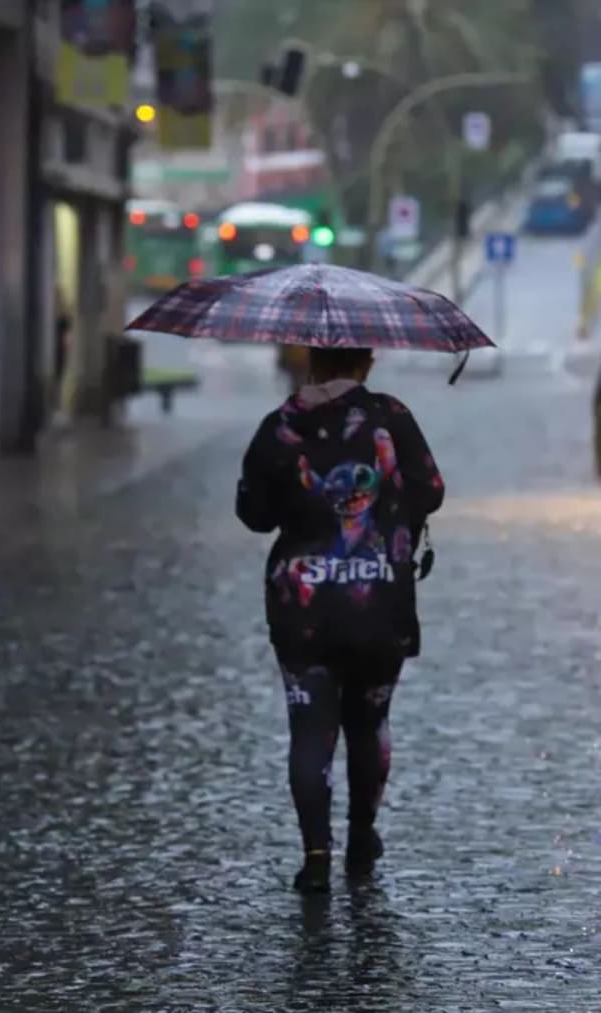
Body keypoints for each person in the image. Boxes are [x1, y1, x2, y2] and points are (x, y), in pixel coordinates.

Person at [235, 346, 445, 893]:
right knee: (369, 721)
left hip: (303, 606)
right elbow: (431, 489)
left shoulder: (280, 426)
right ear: (368, 360)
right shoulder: (390, 418)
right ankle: (362, 834)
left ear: (310, 360)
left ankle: (316, 856)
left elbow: (253, 514)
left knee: (310, 727)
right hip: (378, 600)